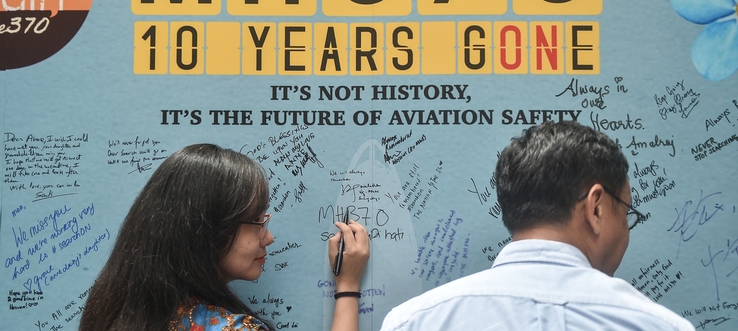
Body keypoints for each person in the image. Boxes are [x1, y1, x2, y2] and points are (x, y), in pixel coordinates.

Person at [380, 121, 694, 331]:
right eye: (626, 213)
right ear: (596, 207)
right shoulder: (657, 326)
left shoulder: (412, 323)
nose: (626, 230)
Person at [80, 143, 369, 331]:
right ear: (207, 231)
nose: (267, 238)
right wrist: (347, 288)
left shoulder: (109, 312)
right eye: (257, 222)